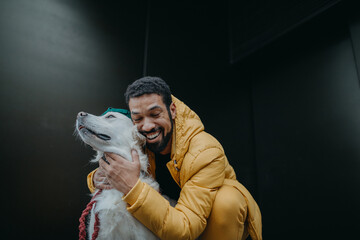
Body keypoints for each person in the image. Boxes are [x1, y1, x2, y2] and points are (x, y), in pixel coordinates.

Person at [87, 76, 262, 240]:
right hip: (167, 218)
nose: (147, 126)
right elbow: (118, 159)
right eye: (138, 118)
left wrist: (132, 186)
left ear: (172, 110)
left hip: (201, 223)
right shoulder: (139, 138)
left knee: (227, 201)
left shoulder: (206, 151)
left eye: (155, 115)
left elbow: (185, 228)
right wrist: (97, 177)